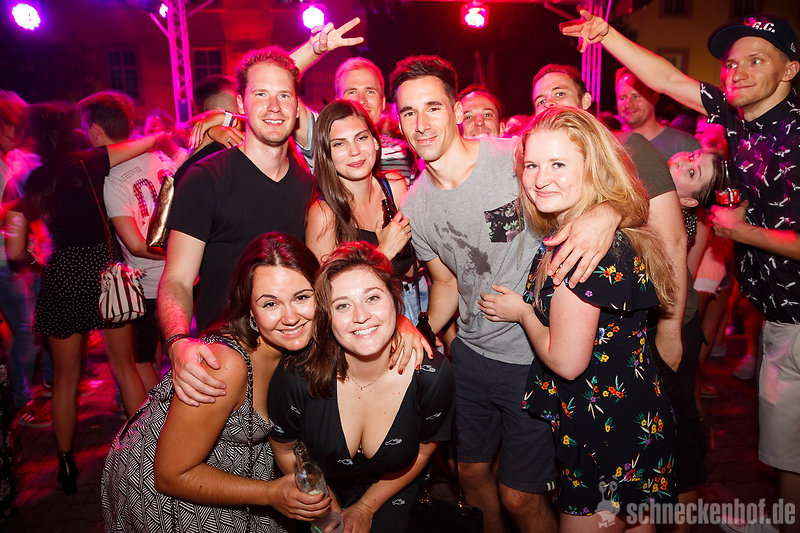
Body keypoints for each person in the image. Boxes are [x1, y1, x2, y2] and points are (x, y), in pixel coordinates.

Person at [562, 10, 800, 529]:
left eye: (755, 60)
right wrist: (607, 34)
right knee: (786, 455)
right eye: (731, 64)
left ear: (789, 70)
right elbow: (668, 79)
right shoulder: (739, 117)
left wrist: (744, 233)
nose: (736, 72)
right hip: (781, 320)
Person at [391, 55, 622, 533]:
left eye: (433, 107)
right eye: (409, 112)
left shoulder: (513, 158)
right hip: (472, 356)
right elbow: (446, 283)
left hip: (534, 356)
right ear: (398, 120)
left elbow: (599, 177)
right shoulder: (415, 204)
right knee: (471, 474)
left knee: (520, 496)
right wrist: (420, 329)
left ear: (457, 111)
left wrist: (608, 212)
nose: (422, 123)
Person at [479, 107, 678, 531]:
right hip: (635, 414)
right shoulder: (601, 231)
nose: (540, 179)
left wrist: (523, 313)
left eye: (558, 164)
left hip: (604, 428)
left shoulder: (582, 250)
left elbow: (567, 362)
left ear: (593, 168)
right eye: (532, 165)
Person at [102, 232, 331, 532]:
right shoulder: (225, 365)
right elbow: (171, 474)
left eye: (301, 297)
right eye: (270, 304)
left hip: (235, 474)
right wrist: (269, 493)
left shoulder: (297, 349)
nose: (290, 317)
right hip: (166, 486)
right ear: (249, 309)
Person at [5, 102, 162, 494]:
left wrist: (33, 260)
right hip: (105, 273)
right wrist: (163, 135)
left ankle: (65, 464)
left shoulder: (37, 179)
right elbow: (141, 144)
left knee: (65, 381)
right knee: (125, 368)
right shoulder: (90, 162)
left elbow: (15, 247)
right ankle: (146, 453)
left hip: (63, 276)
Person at [159, 46, 316, 406]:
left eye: (284, 95)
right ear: (241, 104)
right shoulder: (205, 180)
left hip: (295, 370)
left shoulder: (310, 189)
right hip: (224, 369)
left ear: (297, 108)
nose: (274, 107)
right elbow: (177, 279)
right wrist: (178, 343)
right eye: (261, 94)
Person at [268, 241, 454, 533]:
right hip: (321, 493)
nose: (360, 316)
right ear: (326, 316)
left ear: (394, 300)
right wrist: (330, 513)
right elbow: (285, 450)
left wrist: (365, 508)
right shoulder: (299, 374)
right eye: (342, 305)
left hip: (395, 488)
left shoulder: (430, 374)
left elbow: (423, 452)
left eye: (372, 298)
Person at [77, 91, 173, 392]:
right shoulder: (162, 159)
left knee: (140, 361)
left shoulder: (113, 177)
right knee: (171, 353)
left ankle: (157, 419)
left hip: (147, 284)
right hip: (183, 277)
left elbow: (136, 245)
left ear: (95, 130)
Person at [305, 99, 423, 320]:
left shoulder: (395, 187)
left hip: (407, 305)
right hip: (359, 320)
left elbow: (413, 266)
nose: (355, 151)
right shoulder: (324, 213)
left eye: (361, 138)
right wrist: (384, 252)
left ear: (375, 142)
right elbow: (326, 294)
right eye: (339, 144)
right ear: (326, 154)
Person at [615, 68, 701, 160]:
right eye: (622, 98)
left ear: (654, 98)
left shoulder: (684, 145)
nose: (628, 104)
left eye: (636, 96)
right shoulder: (611, 145)